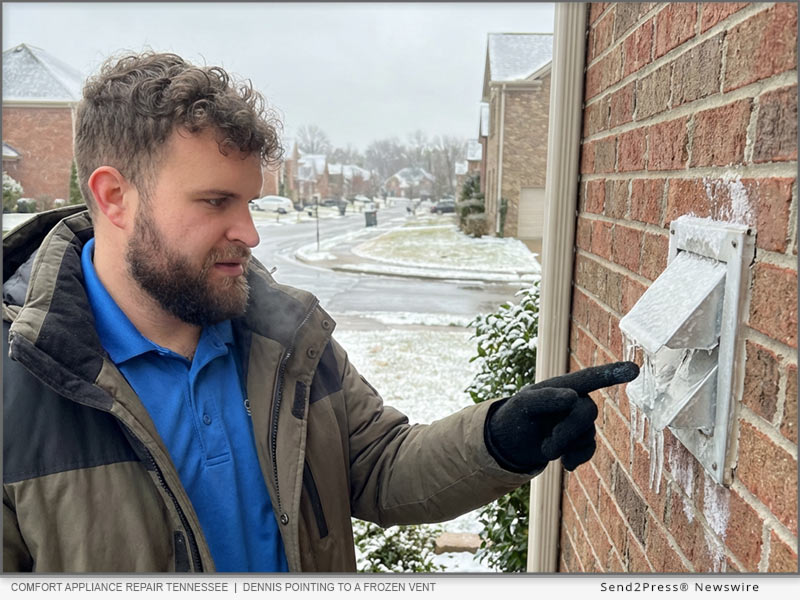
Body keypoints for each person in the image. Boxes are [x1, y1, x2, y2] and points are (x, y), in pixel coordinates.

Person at [2, 52, 638, 573]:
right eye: (216, 201)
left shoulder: (284, 337)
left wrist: (498, 438)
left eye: (250, 201)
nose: (249, 233)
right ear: (114, 197)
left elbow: (380, 465)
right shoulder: (20, 385)